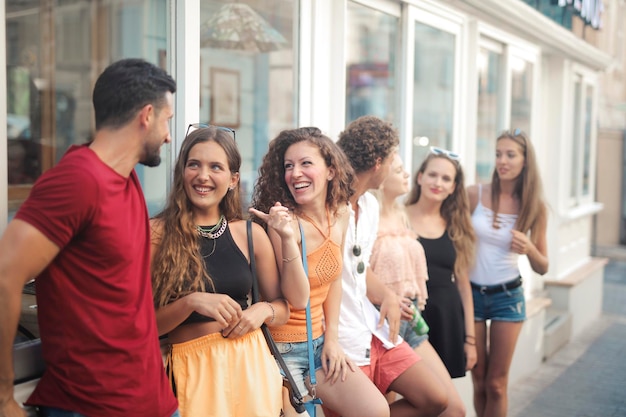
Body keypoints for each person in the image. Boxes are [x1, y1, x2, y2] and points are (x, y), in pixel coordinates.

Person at [0, 58, 179, 417]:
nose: (168, 134)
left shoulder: (126, 179)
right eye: (167, 120)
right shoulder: (77, 181)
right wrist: (3, 398)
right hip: (94, 406)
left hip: (150, 399)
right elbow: (5, 276)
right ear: (146, 116)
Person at [150, 125, 293, 417]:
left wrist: (261, 311)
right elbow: (144, 326)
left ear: (232, 179)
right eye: (194, 165)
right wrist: (190, 302)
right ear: (182, 173)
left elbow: (284, 308)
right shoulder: (156, 233)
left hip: (251, 365)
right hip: (192, 370)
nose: (203, 176)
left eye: (216, 167)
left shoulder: (250, 234)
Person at [250, 127, 390, 417]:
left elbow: (334, 279)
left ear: (330, 170)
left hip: (319, 344)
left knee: (376, 410)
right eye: (289, 166)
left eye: (306, 163)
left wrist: (333, 339)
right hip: (282, 351)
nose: (295, 173)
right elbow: (297, 298)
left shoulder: (339, 213)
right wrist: (287, 238)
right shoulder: (286, 225)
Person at [326, 115, 449, 417]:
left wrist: (388, 296)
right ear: (379, 163)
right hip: (343, 339)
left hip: (375, 330)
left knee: (436, 400)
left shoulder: (368, 206)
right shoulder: (328, 207)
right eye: (394, 158)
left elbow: (358, 268)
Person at [372, 153, 468, 417]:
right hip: (383, 326)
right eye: (400, 170)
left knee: (454, 409)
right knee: (386, 405)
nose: (407, 175)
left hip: (412, 321)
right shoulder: (366, 214)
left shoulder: (400, 214)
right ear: (379, 175)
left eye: (446, 178)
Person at [467, 129, 549, 417]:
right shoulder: (474, 194)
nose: (502, 160)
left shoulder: (534, 206)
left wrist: (529, 248)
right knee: (478, 380)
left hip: (507, 296)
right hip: (471, 296)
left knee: (497, 384)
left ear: (525, 161)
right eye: (498, 154)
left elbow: (543, 266)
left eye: (510, 154)